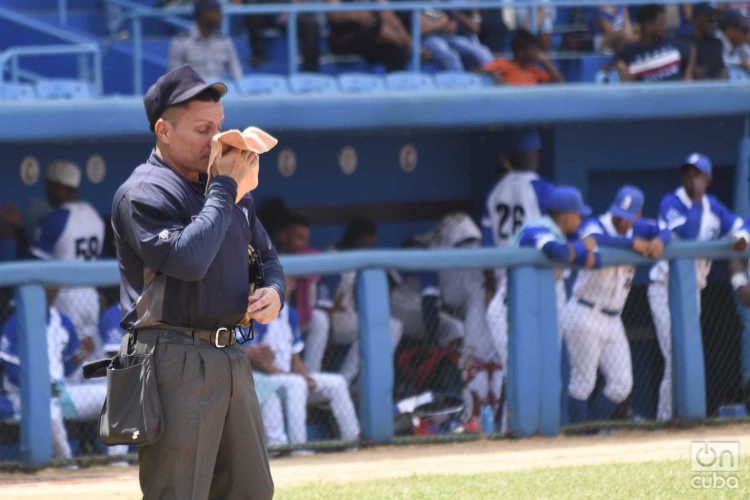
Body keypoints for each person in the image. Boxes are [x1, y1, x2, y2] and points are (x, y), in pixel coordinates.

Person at [111, 64, 284, 498]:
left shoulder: (228, 188)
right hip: (172, 357)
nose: (219, 140)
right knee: (180, 491)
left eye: (220, 127)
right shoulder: (147, 191)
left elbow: (267, 258)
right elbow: (188, 261)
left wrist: (273, 291)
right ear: (164, 130)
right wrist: (224, 187)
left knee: (251, 491)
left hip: (229, 355)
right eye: (203, 129)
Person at [648, 153, 749, 422]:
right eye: (688, 173)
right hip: (664, 287)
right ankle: (665, 418)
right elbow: (688, 232)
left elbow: (743, 225)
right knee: (675, 354)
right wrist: (697, 199)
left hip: (693, 290)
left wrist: (740, 236)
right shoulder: (672, 202)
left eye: (698, 174)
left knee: (684, 354)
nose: (692, 178)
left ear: (709, 179)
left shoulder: (714, 207)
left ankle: (673, 418)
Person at [561, 186, 670, 424]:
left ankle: (593, 428)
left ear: (637, 215)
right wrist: (631, 244)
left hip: (613, 318)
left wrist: (660, 241)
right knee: (583, 383)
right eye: (619, 215)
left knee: (622, 384)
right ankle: (578, 435)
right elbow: (591, 240)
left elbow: (664, 230)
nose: (622, 221)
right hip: (584, 311)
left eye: (628, 217)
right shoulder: (596, 225)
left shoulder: (640, 227)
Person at [0, 288, 127, 460]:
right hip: (23, 397)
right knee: (50, 412)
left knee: (119, 396)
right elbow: (12, 370)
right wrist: (40, 389)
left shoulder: (63, 321)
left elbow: (66, 369)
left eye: (53, 289)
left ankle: (117, 461)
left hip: (62, 391)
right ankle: (64, 463)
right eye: (47, 289)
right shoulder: (15, 323)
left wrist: (79, 357)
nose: (52, 292)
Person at [247, 297, 360, 450]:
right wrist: (293, 377)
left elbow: (295, 358)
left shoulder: (289, 312)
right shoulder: (257, 310)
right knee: (297, 383)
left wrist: (305, 376)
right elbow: (258, 361)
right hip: (265, 379)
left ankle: (352, 443)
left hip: (286, 378)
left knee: (337, 383)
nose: (289, 285)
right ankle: (299, 448)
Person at [303, 217, 403, 383]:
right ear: (360, 238)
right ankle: (346, 381)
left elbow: (394, 279)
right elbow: (323, 303)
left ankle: (354, 380)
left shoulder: (363, 256)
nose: (371, 244)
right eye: (368, 240)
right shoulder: (334, 256)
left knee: (388, 327)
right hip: (333, 319)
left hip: (349, 318)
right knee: (388, 327)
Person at [30, 160, 104, 374]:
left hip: (64, 297)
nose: (47, 192)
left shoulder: (54, 220)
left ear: (62, 187)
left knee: (67, 352)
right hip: (90, 296)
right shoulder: (93, 214)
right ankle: (93, 400)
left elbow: (35, 266)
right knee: (89, 351)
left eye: (50, 187)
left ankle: (70, 399)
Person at [515, 186, 599, 315]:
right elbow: (560, 252)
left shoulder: (566, 235)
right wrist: (582, 246)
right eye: (578, 215)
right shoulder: (536, 229)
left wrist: (579, 248)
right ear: (566, 216)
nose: (580, 220)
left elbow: (594, 260)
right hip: (512, 308)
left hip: (541, 304)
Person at [230, 0, 320, 72]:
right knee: (251, 9)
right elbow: (236, 3)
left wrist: (292, 9)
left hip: (285, 11)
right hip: (258, 10)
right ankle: (258, 56)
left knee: (311, 25)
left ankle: (310, 71)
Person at [615, 4, 695, 82]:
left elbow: (691, 50)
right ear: (648, 25)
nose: (664, 26)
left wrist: (688, 75)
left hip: (677, 92)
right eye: (661, 22)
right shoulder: (630, 50)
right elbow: (618, 63)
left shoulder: (669, 42)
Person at [326, 0, 411, 72]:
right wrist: (354, 15)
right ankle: (405, 45)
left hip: (371, 37)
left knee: (395, 49)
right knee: (375, 26)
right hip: (343, 38)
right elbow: (333, 15)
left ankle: (396, 87)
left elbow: (388, 15)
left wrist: (404, 35)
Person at [168, 0, 243, 81]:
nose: (220, 16)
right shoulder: (181, 43)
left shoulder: (225, 42)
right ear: (204, 14)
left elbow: (237, 75)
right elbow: (174, 80)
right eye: (217, 12)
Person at [418, 7, 494, 72]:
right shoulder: (420, 4)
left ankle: (496, 78)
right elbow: (422, 30)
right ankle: (460, 84)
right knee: (451, 56)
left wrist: (433, 25)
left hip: (448, 37)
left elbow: (452, 28)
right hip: (428, 39)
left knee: (482, 50)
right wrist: (441, 23)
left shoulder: (444, 4)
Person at [481, 30, 564, 86]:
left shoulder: (535, 71)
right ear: (521, 53)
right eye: (534, 50)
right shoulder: (503, 64)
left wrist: (546, 62)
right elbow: (476, 71)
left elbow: (560, 83)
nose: (537, 53)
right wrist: (493, 74)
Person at [685, 3, 727, 80]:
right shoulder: (684, 44)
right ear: (696, 20)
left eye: (716, 20)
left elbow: (721, 72)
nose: (715, 24)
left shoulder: (717, 43)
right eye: (710, 20)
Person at [717, 9, 750, 79]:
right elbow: (722, 63)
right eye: (744, 30)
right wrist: (741, 63)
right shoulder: (716, 43)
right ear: (730, 31)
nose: (747, 34)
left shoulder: (741, 45)